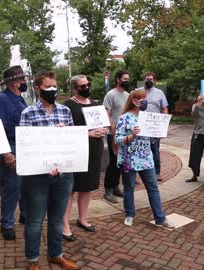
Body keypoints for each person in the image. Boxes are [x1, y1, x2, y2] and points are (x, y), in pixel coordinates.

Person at [19, 70, 78, 270]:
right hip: (37, 177)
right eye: (48, 87)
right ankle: (33, 260)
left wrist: (65, 134)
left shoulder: (65, 111)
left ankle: (56, 255)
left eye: (55, 86)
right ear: (37, 89)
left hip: (63, 175)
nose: (53, 90)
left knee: (56, 219)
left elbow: (72, 142)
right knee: (35, 220)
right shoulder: (28, 113)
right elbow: (27, 148)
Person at [115, 89, 175, 229]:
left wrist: (159, 132)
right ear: (134, 101)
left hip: (145, 158)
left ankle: (160, 218)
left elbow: (153, 135)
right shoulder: (124, 118)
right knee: (129, 187)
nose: (145, 102)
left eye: (145, 99)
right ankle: (130, 214)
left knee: (153, 188)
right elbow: (118, 140)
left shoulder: (147, 117)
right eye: (142, 100)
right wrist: (131, 136)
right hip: (128, 159)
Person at [62, 75, 107, 242]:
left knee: (87, 187)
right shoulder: (68, 105)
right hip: (76, 151)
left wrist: (103, 131)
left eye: (88, 84)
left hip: (94, 150)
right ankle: (64, 224)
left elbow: (104, 125)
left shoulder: (95, 104)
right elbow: (65, 131)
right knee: (71, 189)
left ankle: (82, 218)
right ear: (75, 89)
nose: (87, 87)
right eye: (83, 86)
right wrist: (88, 133)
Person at [0, 65, 28, 240]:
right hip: (11, 147)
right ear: (14, 82)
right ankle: (6, 223)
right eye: (22, 80)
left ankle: (24, 214)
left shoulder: (20, 98)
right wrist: (6, 153)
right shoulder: (2, 99)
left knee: (24, 185)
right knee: (11, 187)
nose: (25, 82)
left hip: (24, 146)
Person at [102, 70, 130, 203]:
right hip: (113, 133)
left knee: (120, 162)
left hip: (125, 135)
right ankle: (108, 190)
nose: (127, 81)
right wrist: (113, 131)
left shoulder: (127, 95)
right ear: (118, 79)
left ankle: (115, 187)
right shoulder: (110, 94)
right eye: (124, 79)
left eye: (128, 79)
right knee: (113, 162)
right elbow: (106, 115)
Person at [139, 72, 168, 181]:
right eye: (147, 79)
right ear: (144, 79)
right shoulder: (138, 92)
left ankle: (157, 172)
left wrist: (164, 124)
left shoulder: (159, 93)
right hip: (141, 126)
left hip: (154, 127)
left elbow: (164, 108)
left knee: (155, 150)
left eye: (151, 79)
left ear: (154, 81)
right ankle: (140, 171)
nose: (149, 81)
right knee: (140, 148)